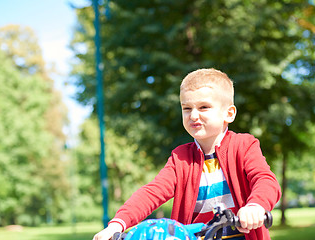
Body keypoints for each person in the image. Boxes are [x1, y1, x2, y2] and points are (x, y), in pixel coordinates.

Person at [93, 68, 281, 240]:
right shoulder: (180, 157)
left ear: (229, 114)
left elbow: (264, 179)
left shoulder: (244, 145)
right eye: (187, 108)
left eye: (204, 107)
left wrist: (256, 206)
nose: (193, 115)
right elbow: (152, 192)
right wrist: (118, 224)